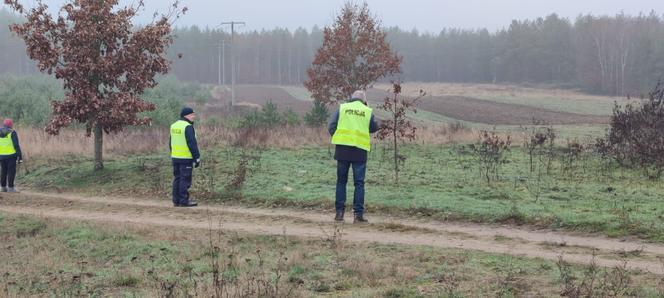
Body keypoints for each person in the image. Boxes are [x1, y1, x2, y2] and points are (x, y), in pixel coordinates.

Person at [328, 90, 380, 223]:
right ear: (364, 100)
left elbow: (331, 126)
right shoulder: (367, 110)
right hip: (359, 151)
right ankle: (358, 215)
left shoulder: (343, 108)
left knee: (341, 182)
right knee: (359, 184)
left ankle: (339, 213)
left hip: (342, 150)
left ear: (351, 98)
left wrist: (339, 137)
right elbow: (374, 127)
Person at [169, 107, 201, 207]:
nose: (194, 116)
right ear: (186, 115)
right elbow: (192, 144)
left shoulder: (173, 125)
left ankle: (176, 200)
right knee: (185, 179)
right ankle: (184, 201)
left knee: (177, 178)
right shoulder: (188, 126)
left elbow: (170, 142)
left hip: (175, 157)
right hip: (185, 158)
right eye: (192, 115)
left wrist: (172, 153)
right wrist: (197, 158)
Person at [0, 119, 22, 193]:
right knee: (11, 171)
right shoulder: (12, 132)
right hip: (11, 155)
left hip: (1, 156)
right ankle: (10, 188)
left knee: (3, 171)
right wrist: (20, 155)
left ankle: (3, 187)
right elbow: (16, 145)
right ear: (10, 125)